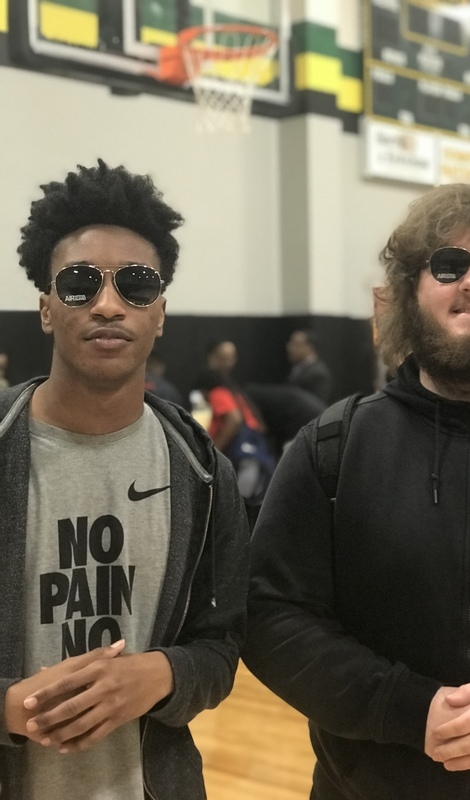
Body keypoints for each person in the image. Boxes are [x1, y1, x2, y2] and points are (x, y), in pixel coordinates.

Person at [242, 182, 470, 799]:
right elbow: (270, 617)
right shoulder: (331, 447)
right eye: (449, 264)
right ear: (410, 292)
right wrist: (409, 710)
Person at [0, 160, 249, 800]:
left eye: (136, 285)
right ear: (46, 309)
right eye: (79, 283)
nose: (108, 305)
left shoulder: (201, 471)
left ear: (160, 313)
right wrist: (7, 710)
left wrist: (163, 675)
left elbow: (221, 648)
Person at [196, 339, 275, 513]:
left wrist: (214, 452)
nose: (229, 363)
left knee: (238, 511)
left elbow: (234, 419)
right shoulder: (233, 390)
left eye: (231, 358)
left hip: (246, 459)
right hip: (253, 457)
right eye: (224, 357)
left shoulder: (219, 391)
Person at [286, 329, 333, 403]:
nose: (289, 348)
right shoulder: (298, 367)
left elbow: (315, 405)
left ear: (310, 347)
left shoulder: (318, 374)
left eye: (295, 344)